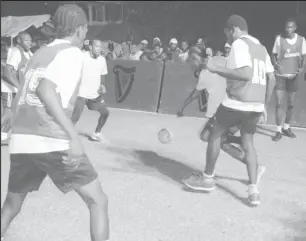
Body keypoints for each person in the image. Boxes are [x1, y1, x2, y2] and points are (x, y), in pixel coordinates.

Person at [1, 4, 110, 241]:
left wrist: (14, 124)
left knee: (11, 204)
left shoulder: (40, 52)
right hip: (51, 139)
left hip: (22, 139)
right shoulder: (71, 53)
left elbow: (25, 91)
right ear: (80, 29)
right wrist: (72, 136)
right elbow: (45, 89)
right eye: (86, 30)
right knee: (98, 201)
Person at [182, 15, 275, 206]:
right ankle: (253, 192)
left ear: (233, 29)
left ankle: (207, 179)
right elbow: (271, 79)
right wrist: (263, 105)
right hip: (255, 104)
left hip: (236, 102)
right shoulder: (261, 47)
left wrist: (216, 68)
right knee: (248, 143)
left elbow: (245, 73)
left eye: (227, 34)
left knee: (213, 135)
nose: (227, 39)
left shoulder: (239, 44)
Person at [177, 46, 266, 184]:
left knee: (208, 137)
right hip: (222, 111)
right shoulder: (206, 71)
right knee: (214, 139)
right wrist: (183, 107)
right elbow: (196, 93)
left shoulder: (217, 61)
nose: (191, 64)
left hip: (227, 109)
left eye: (191, 60)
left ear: (197, 58)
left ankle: (209, 176)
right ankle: (253, 165)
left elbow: (239, 71)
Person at [271, 18, 306, 141]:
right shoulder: (279, 39)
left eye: (290, 27)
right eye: (286, 27)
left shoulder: (301, 40)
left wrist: (302, 68)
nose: (288, 29)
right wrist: (275, 64)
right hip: (280, 76)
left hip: (293, 76)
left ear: (295, 28)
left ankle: (286, 127)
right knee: (279, 103)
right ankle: (278, 130)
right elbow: (274, 55)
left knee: (290, 104)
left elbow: (304, 56)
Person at [71, 38, 110, 143]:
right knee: (75, 117)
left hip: (95, 94)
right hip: (81, 93)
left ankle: (96, 134)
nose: (99, 49)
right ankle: (64, 135)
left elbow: (102, 75)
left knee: (105, 113)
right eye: (97, 46)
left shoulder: (102, 60)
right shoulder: (82, 57)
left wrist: (102, 85)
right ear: (90, 47)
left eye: (100, 47)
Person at [2, 32, 33, 142]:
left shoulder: (28, 52)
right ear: (19, 41)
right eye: (26, 40)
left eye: (30, 40)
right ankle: (4, 134)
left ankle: (3, 134)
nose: (30, 43)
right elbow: (6, 73)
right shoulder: (16, 52)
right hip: (10, 88)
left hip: (19, 88)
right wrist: (20, 87)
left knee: (17, 113)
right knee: (8, 114)